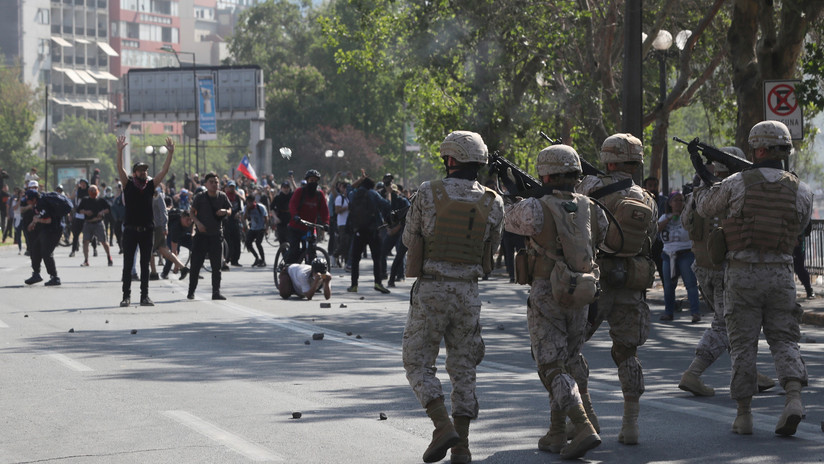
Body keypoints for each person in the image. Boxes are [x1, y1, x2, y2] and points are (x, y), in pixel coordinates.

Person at [692, 120, 812, 436]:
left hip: (742, 274)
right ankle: (794, 399)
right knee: (785, 339)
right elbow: (799, 229)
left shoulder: (736, 182)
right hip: (782, 275)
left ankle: (744, 415)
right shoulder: (802, 189)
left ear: (758, 148)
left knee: (743, 345)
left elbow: (705, 209)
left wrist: (704, 179)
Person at [402, 131, 504, 464]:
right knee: (464, 367)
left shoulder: (428, 192)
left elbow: (409, 238)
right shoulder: (494, 201)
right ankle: (462, 447)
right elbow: (493, 249)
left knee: (418, 362)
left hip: (433, 288)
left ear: (450, 160)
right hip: (468, 293)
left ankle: (442, 425)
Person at [504, 145, 606, 459]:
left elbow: (508, 222)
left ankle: (583, 426)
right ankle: (558, 432)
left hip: (547, 291)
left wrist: (513, 195)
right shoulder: (591, 206)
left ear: (545, 173)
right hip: (581, 290)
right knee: (570, 357)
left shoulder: (535, 206)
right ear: (576, 175)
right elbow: (600, 238)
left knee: (550, 363)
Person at [573, 133, 658, 445]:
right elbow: (652, 240)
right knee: (627, 352)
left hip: (595, 283)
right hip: (632, 282)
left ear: (608, 158)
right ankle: (630, 424)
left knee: (570, 348)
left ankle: (586, 415)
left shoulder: (588, 189)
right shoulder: (647, 198)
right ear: (636, 162)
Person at [678, 149, 776, 397]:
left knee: (734, 323)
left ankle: (749, 373)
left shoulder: (699, 191)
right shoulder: (732, 191)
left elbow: (685, 222)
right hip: (724, 271)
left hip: (702, 268)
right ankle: (694, 372)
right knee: (724, 324)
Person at [116, 135, 175, 307]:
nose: (144, 172)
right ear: (134, 173)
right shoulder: (127, 184)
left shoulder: (150, 186)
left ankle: (144, 297)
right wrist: (119, 151)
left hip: (147, 230)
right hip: (130, 230)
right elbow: (119, 167)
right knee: (128, 266)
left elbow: (163, 171)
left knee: (144, 265)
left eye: (145, 170)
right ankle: (126, 296)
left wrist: (170, 154)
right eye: (140, 170)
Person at [657, 191, 701, 322]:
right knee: (669, 285)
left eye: (681, 200)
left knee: (690, 284)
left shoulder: (688, 216)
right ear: (670, 203)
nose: (678, 203)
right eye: (675, 200)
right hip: (668, 255)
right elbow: (657, 229)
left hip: (685, 253)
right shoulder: (664, 217)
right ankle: (668, 312)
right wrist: (670, 218)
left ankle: (695, 313)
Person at [187, 172, 232, 300]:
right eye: (211, 182)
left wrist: (226, 211)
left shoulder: (222, 196)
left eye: (216, 182)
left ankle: (216, 292)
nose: (214, 184)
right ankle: (191, 291)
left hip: (216, 236)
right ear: (206, 184)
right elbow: (191, 212)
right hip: (201, 236)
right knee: (195, 265)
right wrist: (198, 223)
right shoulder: (200, 197)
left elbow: (230, 209)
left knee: (216, 267)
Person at [347, 176, 392, 293]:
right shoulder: (373, 193)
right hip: (373, 230)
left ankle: (354, 285)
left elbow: (348, 189)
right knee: (376, 258)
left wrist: (358, 180)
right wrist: (389, 195)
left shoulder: (354, 193)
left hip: (358, 230)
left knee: (355, 259)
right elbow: (386, 205)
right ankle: (378, 283)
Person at [286, 170, 329, 264]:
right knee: (294, 251)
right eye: (311, 180)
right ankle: (286, 270)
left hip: (310, 228)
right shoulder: (299, 191)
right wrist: (296, 216)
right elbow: (292, 205)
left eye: (315, 180)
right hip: (296, 227)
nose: (313, 182)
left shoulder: (319, 194)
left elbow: (324, 210)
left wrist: (326, 223)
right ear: (307, 180)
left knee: (312, 252)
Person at [24, 190, 65, 286]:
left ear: (34, 199)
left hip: (54, 230)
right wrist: (33, 223)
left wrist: (37, 220)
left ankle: (55, 277)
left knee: (46, 253)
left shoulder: (42, 203)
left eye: (29, 200)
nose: (27, 202)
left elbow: (49, 220)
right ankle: (36, 274)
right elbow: (39, 216)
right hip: (46, 230)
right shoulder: (37, 204)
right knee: (35, 249)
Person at [77, 185, 113, 266]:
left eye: (94, 190)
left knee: (104, 242)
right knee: (85, 242)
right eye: (91, 190)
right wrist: (86, 212)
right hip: (88, 223)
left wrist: (102, 212)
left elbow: (109, 209)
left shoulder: (101, 200)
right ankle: (86, 260)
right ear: (89, 192)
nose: (93, 192)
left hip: (98, 223)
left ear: (97, 191)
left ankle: (109, 257)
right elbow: (78, 210)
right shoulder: (85, 200)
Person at [243, 194, 268, 267]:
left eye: (251, 202)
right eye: (248, 202)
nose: (249, 203)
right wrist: (247, 209)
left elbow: (266, 218)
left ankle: (263, 260)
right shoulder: (246, 207)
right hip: (253, 228)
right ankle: (257, 258)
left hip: (261, 228)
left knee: (258, 243)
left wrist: (266, 229)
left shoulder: (260, 207)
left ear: (254, 201)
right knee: (248, 243)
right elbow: (244, 218)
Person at [224, 180, 244, 266]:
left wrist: (238, 214)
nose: (232, 188)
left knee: (237, 241)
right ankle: (226, 259)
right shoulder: (224, 197)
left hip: (235, 222)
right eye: (230, 187)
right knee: (228, 242)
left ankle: (235, 260)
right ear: (227, 188)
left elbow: (240, 209)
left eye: (233, 187)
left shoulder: (237, 197)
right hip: (226, 222)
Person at [333, 180, 352, 268]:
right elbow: (337, 211)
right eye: (345, 188)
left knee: (349, 243)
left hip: (349, 223)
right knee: (344, 242)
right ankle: (335, 255)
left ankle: (347, 261)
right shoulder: (339, 198)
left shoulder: (349, 198)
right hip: (342, 224)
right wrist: (347, 208)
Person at [69, 179, 90, 258]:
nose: (82, 185)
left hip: (87, 215)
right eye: (81, 183)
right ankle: (73, 250)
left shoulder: (89, 191)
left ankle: (94, 249)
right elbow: (72, 197)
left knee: (90, 233)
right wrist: (76, 188)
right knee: (76, 234)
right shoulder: (78, 191)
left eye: (84, 183)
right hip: (79, 215)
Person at [272, 181, 294, 246]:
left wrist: (292, 181)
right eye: (284, 187)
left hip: (291, 221)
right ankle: (284, 255)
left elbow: (297, 191)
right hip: (280, 221)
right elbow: (272, 209)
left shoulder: (292, 196)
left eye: (287, 187)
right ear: (281, 188)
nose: (286, 189)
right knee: (282, 241)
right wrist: (275, 218)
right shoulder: (277, 197)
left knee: (291, 241)